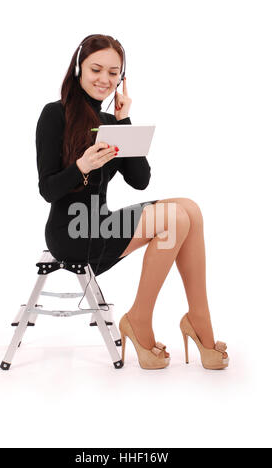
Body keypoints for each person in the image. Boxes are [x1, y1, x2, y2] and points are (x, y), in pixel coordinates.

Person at [36, 34, 229, 371]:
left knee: (190, 210)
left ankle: (200, 321)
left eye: (114, 73)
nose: (104, 80)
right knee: (174, 219)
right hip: (70, 232)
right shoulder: (55, 114)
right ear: (78, 68)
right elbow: (48, 189)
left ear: (121, 78)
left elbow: (140, 180)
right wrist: (82, 167)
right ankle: (139, 320)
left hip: (100, 222)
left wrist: (124, 121)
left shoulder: (111, 122)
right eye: (96, 69)